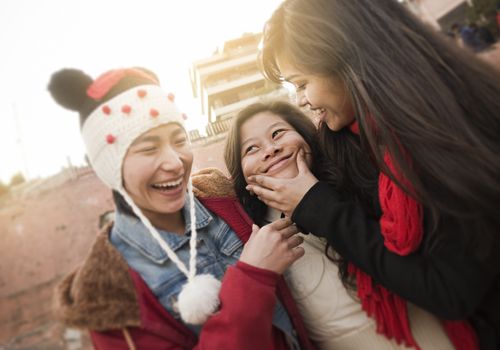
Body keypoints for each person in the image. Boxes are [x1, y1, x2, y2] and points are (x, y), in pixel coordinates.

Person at [250, 0, 500, 349]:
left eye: (302, 83)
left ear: (346, 58)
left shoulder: (445, 131)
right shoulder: (354, 138)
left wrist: (317, 205)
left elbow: (449, 290)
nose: (303, 101)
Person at [47, 67, 316, 349]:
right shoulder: (105, 295)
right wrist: (253, 278)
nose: (175, 162)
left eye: (179, 141)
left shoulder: (223, 198)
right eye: (149, 149)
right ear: (109, 167)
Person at [224, 100, 456, 350]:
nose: (270, 149)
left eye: (277, 133)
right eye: (251, 149)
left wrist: (314, 202)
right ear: (241, 172)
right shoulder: (252, 238)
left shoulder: (363, 178)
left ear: (304, 134)